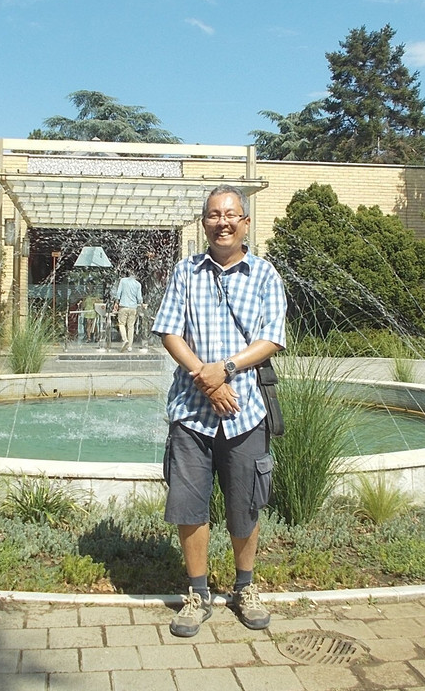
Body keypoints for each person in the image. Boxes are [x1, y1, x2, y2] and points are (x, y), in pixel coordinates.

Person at [151, 184, 287, 637]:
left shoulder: (266, 275)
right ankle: (197, 593)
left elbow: (272, 338)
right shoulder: (186, 272)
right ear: (204, 223)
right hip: (192, 412)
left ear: (245, 222)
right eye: (213, 215)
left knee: (245, 505)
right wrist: (205, 379)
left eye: (230, 214)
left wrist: (225, 368)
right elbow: (169, 331)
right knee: (189, 506)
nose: (222, 221)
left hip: (246, 410)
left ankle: (244, 587)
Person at [111, 269, 144, 352]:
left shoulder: (123, 281)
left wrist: (116, 303)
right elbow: (139, 298)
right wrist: (142, 304)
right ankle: (130, 346)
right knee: (131, 327)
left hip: (123, 306)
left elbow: (118, 293)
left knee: (121, 324)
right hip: (133, 308)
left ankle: (125, 339)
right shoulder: (138, 284)